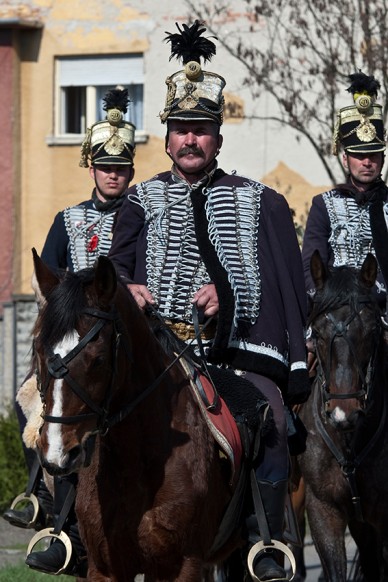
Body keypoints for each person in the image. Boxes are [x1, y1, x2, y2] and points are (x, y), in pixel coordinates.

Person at [108, 21, 310, 582]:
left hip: (233, 357)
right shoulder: (139, 201)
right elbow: (111, 271)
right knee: (84, 414)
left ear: (218, 137)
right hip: (156, 359)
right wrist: (127, 288)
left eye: (201, 129)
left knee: (265, 415)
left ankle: (265, 540)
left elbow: (282, 285)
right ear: (167, 137)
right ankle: (70, 527)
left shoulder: (260, 201)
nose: (190, 140)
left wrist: (231, 294)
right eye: (181, 129)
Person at [3, 87, 135, 577]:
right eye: (105, 166)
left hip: (122, 340)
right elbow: (50, 277)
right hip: (73, 340)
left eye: (121, 166)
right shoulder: (68, 218)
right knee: (29, 397)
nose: (113, 173)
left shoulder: (141, 218)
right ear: (92, 168)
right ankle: (41, 498)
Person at [302, 72, 388, 309]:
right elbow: (311, 263)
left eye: (372, 155)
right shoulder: (323, 204)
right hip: (333, 306)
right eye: (359, 155)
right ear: (345, 159)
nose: (366, 162)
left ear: (382, 158)